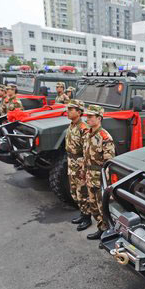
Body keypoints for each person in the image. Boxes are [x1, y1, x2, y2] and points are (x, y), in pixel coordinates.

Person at [82, 105, 116, 240]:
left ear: (99, 118)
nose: (87, 119)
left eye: (90, 117)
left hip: (100, 177)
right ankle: (100, 228)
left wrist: (105, 181)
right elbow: (85, 156)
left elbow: (109, 162)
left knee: (103, 208)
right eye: (87, 116)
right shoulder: (88, 133)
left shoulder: (105, 137)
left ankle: (108, 232)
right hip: (89, 175)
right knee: (93, 206)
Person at [66, 99, 92, 231]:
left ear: (79, 112)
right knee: (74, 191)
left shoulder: (84, 128)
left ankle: (87, 217)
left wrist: (83, 168)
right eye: (68, 109)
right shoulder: (72, 125)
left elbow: (87, 151)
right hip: (71, 162)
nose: (68, 112)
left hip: (80, 163)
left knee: (83, 192)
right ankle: (82, 213)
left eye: (71, 110)